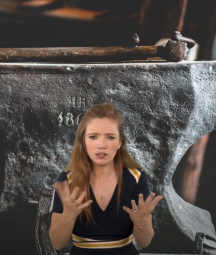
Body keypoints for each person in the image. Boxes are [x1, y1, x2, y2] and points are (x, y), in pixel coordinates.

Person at [49, 103, 163, 255]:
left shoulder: (136, 177)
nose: (102, 145)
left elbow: (144, 241)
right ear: (83, 141)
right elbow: (57, 243)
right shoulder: (68, 178)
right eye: (93, 137)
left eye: (110, 137)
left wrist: (142, 223)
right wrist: (68, 216)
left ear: (120, 142)